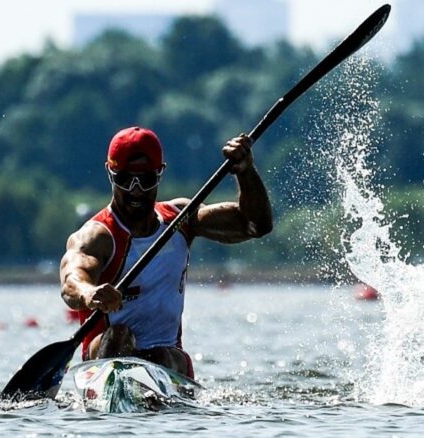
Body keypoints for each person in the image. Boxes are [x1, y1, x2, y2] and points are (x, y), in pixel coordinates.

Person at [60, 126, 272, 378]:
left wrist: (245, 172)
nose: (136, 190)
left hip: (167, 361)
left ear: (160, 173)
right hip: (104, 356)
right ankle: (116, 391)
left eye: (146, 179)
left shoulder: (181, 219)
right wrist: (90, 292)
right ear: (110, 172)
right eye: (125, 179)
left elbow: (256, 225)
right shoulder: (97, 236)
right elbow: (72, 279)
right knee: (119, 335)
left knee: (163, 355)